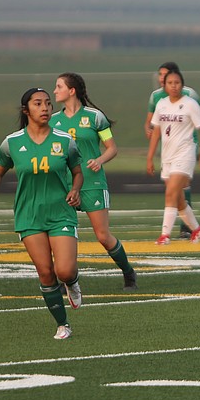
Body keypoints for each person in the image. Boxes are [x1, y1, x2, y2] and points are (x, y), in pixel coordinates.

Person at [0, 87, 84, 340]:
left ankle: (72, 282)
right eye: (38, 104)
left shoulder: (64, 140)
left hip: (61, 213)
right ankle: (63, 324)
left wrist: (75, 189)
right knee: (46, 273)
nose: (45, 108)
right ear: (26, 110)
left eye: (48, 103)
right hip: (29, 216)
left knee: (65, 271)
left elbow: (78, 172)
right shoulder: (13, 142)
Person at [51, 72, 137, 291]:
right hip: (65, 185)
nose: (55, 91)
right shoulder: (53, 121)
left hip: (92, 183)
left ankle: (128, 272)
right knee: (64, 234)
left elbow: (112, 148)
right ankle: (64, 279)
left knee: (102, 236)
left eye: (59, 86)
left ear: (72, 91)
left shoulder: (95, 117)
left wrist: (99, 160)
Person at [144, 61, 200, 237]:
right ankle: (196, 229)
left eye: (167, 76)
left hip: (187, 147)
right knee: (176, 194)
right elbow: (152, 126)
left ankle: (166, 235)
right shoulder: (158, 99)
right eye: (161, 76)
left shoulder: (190, 98)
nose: (163, 79)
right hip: (167, 151)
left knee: (173, 190)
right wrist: (149, 156)